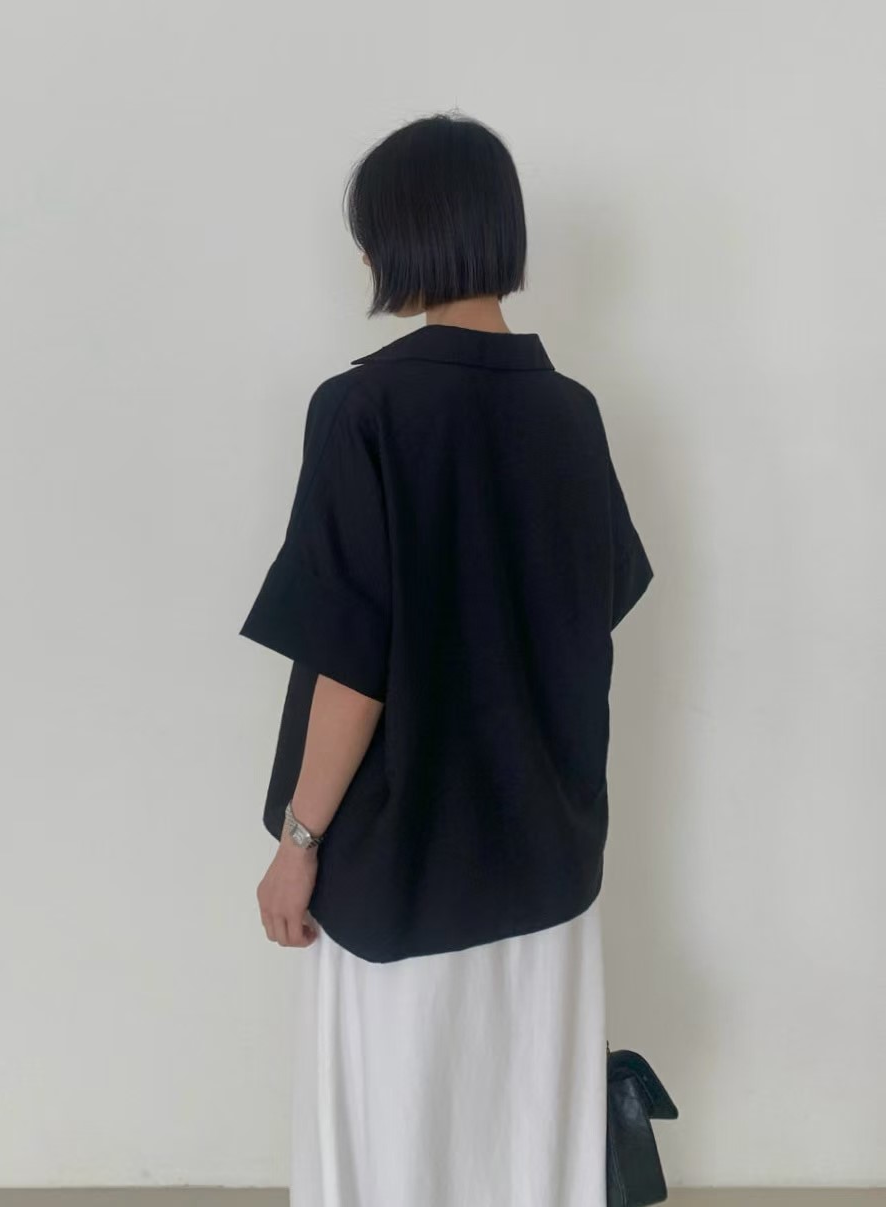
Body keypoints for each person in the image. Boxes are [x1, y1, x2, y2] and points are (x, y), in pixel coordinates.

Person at [240, 110, 654, 1207]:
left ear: (402, 237)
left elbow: (352, 663)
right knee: (526, 1144)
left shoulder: (361, 410)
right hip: (546, 864)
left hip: (398, 867)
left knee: (393, 1146)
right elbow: (592, 608)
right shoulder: (571, 415)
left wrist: (297, 841)